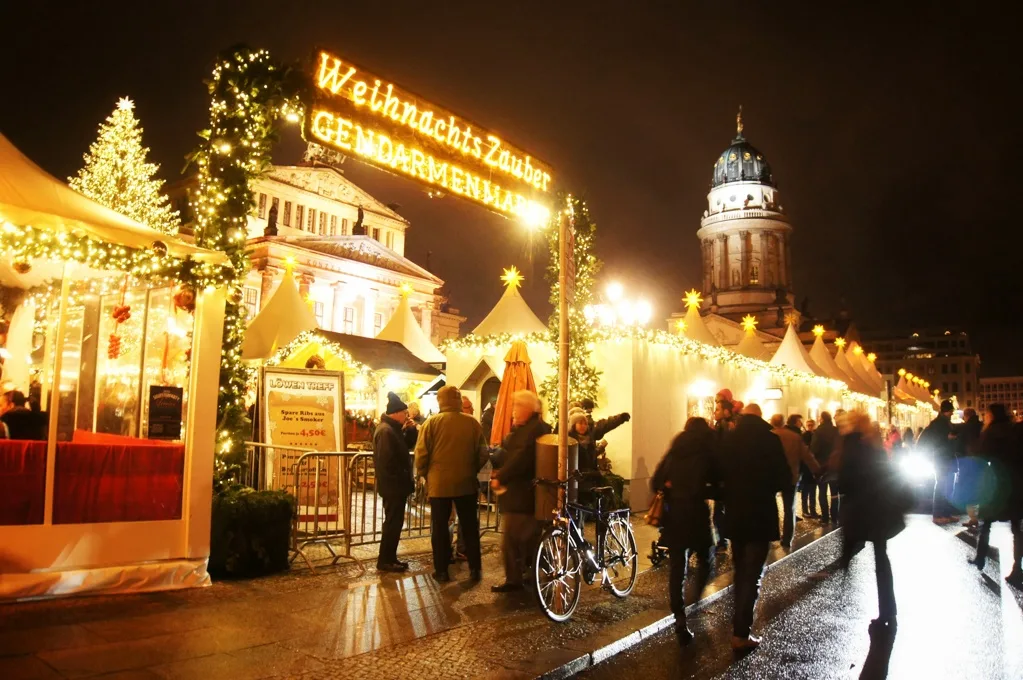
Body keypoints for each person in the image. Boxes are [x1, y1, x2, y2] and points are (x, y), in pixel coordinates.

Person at [719, 403, 790, 651]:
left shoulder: (729, 440)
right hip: (760, 514)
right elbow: (784, 478)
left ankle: (738, 626)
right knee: (753, 574)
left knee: (740, 572)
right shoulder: (770, 441)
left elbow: (718, 475)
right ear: (760, 418)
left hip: (736, 514)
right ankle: (740, 633)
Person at [652, 417, 719, 646]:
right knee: (706, 560)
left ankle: (680, 615)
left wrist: (673, 486)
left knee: (677, 567)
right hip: (697, 516)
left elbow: (655, 481)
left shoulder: (676, 448)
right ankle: (695, 601)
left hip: (675, 516)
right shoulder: (708, 449)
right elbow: (718, 484)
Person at [839, 411, 906, 634]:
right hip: (879, 508)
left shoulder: (852, 445)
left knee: (857, 543)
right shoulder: (875, 444)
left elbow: (845, 481)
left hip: (862, 508)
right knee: (881, 559)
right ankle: (888, 609)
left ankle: (844, 571)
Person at [415, 386, 489, 583]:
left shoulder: (431, 424)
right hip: (466, 483)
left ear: (440, 401)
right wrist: (471, 469)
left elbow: (421, 455)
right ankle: (475, 568)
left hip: (439, 485)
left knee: (439, 527)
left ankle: (441, 570)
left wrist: (425, 474)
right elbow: (483, 453)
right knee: (469, 526)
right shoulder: (472, 424)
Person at [490, 390, 551, 593]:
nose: (513, 411)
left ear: (528, 409)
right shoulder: (529, 428)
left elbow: (521, 459)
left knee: (513, 539)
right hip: (523, 494)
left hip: (523, 494)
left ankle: (516, 579)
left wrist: (501, 477)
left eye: (517, 406)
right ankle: (528, 574)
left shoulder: (533, 430)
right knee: (524, 539)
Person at [970, 404, 1023, 587]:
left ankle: (980, 557)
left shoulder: (990, 433)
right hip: (1015, 483)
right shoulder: (1014, 430)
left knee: (986, 523)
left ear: (991, 415)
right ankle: (1017, 568)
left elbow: (982, 457)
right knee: (1017, 528)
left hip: (995, 484)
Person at [373, 392, 416, 572]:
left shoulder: (392, 430)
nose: (406, 416)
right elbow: (387, 462)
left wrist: (411, 431)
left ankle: (390, 558)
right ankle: (385, 561)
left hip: (396, 486)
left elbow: (405, 446)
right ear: (396, 413)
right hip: (393, 487)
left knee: (395, 523)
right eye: (404, 413)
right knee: (392, 523)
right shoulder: (386, 431)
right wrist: (399, 478)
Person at [771, 414, 821, 548]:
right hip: (791, 476)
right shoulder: (794, 437)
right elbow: (807, 456)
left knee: (770, 505)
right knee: (789, 508)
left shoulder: (768, 435)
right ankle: (787, 539)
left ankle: (771, 536)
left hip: (772, 477)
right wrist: (817, 470)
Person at [919, 400, 959, 524]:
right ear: (945, 411)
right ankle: (938, 514)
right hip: (942, 457)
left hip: (946, 456)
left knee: (947, 486)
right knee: (942, 485)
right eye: (950, 411)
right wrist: (948, 438)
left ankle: (945, 513)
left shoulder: (943, 423)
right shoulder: (938, 424)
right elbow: (936, 440)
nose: (951, 414)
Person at [712, 389, 739, 548]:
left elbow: (722, 450)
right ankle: (725, 538)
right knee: (724, 510)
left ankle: (723, 540)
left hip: (725, 476)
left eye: (717, 408)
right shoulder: (726, 424)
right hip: (727, 476)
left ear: (726, 411)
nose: (714, 411)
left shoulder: (726, 426)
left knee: (720, 511)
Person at [811, 411, 841, 524]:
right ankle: (834, 516)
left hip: (822, 466)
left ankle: (824, 517)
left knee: (822, 492)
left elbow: (814, 449)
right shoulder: (836, 430)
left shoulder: (818, 432)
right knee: (834, 493)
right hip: (834, 465)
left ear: (822, 419)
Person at [955, 408, 983, 528]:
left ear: (966, 416)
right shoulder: (981, 426)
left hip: (968, 461)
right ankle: (980, 516)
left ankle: (973, 518)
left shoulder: (966, 428)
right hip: (980, 461)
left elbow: (959, 444)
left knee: (969, 490)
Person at [800, 418, 818, 517]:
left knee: (813, 489)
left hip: (812, 465)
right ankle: (805, 510)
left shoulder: (815, 435)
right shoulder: (804, 436)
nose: (810, 426)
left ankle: (813, 510)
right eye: (809, 425)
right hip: (806, 466)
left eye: (812, 425)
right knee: (806, 489)